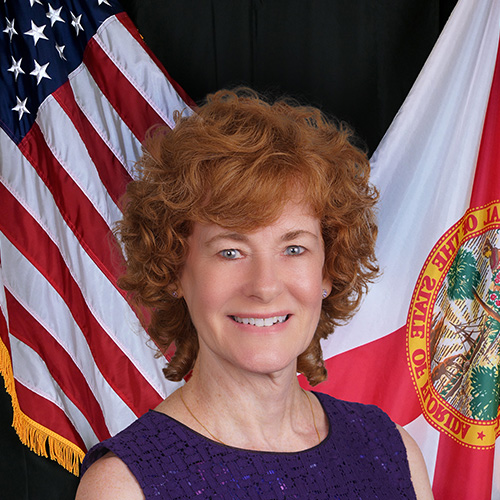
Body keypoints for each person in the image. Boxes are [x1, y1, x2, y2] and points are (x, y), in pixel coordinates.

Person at [76, 88, 433, 499]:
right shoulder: (122, 486)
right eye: (231, 252)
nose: (264, 286)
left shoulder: (391, 451)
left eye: (293, 248)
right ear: (174, 269)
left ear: (327, 269)